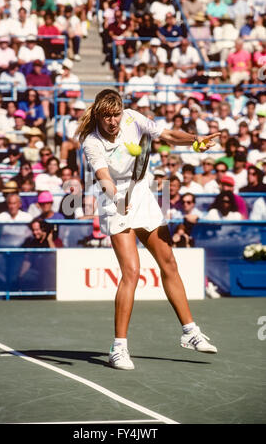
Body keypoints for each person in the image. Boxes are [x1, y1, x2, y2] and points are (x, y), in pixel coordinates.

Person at [78, 89, 218, 370]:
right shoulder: (91, 142)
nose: (113, 121)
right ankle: (118, 348)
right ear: (98, 115)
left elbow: (165, 135)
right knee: (131, 272)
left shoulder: (132, 119)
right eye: (106, 116)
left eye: (115, 114)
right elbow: (103, 175)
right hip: (114, 201)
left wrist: (195, 140)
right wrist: (115, 193)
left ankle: (190, 332)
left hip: (142, 194)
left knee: (169, 262)